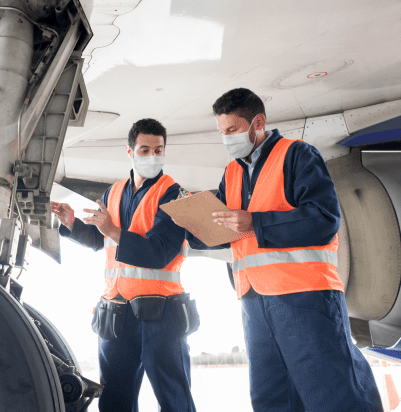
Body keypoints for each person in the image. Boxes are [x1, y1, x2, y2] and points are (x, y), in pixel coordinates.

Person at [183, 87, 382, 411]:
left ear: (257, 122)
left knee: (333, 393)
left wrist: (255, 223)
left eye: (232, 130)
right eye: (222, 132)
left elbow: (323, 220)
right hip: (254, 302)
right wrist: (192, 225)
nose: (226, 139)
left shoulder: (297, 155)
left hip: (305, 297)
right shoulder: (232, 171)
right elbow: (227, 229)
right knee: (271, 398)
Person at [51, 118, 197, 412]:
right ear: (130, 152)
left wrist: (112, 230)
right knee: (115, 401)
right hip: (116, 314)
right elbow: (100, 240)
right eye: (145, 149)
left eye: (159, 150)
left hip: (161, 315)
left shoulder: (174, 194)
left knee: (174, 401)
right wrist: (71, 223)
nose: (153, 156)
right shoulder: (114, 192)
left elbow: (159, 252)